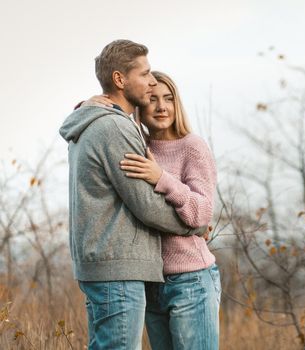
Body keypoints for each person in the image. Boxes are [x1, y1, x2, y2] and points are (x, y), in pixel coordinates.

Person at [59, 40, 207, 350]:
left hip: (106, 265)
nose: (152, 81)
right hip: (117, 266)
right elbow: (147, 206)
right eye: (145, 73)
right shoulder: (114, 127)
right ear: (119, 80)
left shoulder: (94, 122)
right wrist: (194, 225)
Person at [87, 71, 220, 349]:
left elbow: (202, 212)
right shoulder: (137, 145)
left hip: (191, 279)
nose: (161, 107)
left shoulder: (192, 147)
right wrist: (90, 106)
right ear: (138, 105)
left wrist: (162, 177)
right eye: (152, 99)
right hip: (150, 281)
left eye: (168, 99)